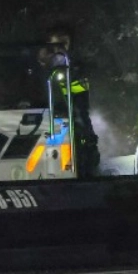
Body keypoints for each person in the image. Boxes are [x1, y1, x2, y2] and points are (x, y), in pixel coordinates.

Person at [40, 24, 100, 177]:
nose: (60, 49)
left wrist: (88, 137)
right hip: (43, 125)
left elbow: (81, 106)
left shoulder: (76, 69)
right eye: (56, 44)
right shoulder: (36, 68)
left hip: (70, 125)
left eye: (64, 43)